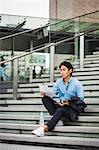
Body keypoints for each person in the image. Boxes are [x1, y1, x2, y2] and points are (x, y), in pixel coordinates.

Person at [31, 61, 84, 137]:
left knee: (62, 109)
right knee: (45, 98)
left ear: (70, 71)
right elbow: (53, 94)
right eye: (60, 70)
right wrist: (45, 93)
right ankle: (57, 118)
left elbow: (81, 100)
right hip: (60, 105)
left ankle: (45, 128)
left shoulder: (77, 84)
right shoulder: (58, 82)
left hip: (71, 109)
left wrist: (69, 103)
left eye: (64, 70)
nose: (61, 72)